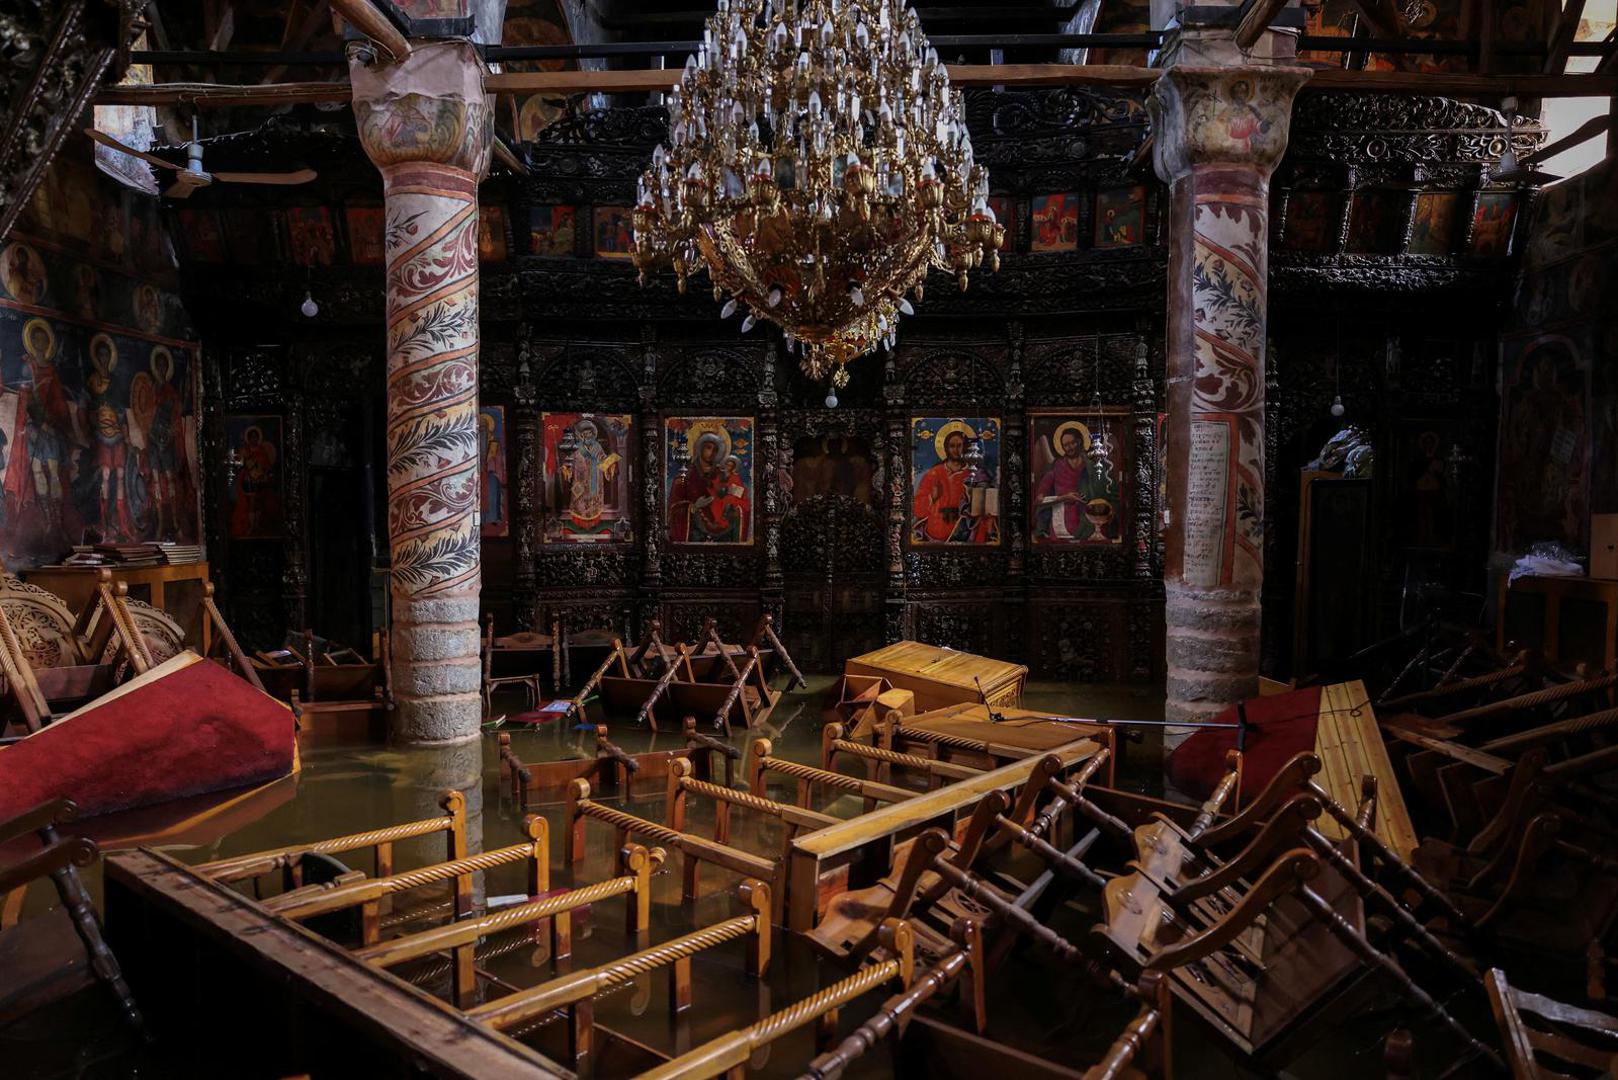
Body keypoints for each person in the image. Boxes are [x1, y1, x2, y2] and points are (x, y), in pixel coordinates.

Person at [912, 423, 995, 543]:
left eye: (959, 446)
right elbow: (918, 509)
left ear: (965, 447)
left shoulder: (976, 473)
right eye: (952, 446)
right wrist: (932, 497)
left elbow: (987, 504)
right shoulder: (934, 473)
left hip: (967, 528)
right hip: (937, 529)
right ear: (946, 447)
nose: (956, 450)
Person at [1033, 422, 1114, 543]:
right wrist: (1063, 497)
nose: (1070, 447)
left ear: (1080, 441)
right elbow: (1039, 500)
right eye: (1066, 445)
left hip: (1090, 522)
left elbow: (1105, 493)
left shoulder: (1093, 466)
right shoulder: (1055, 467)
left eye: (1073, 442)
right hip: (1061, 524)